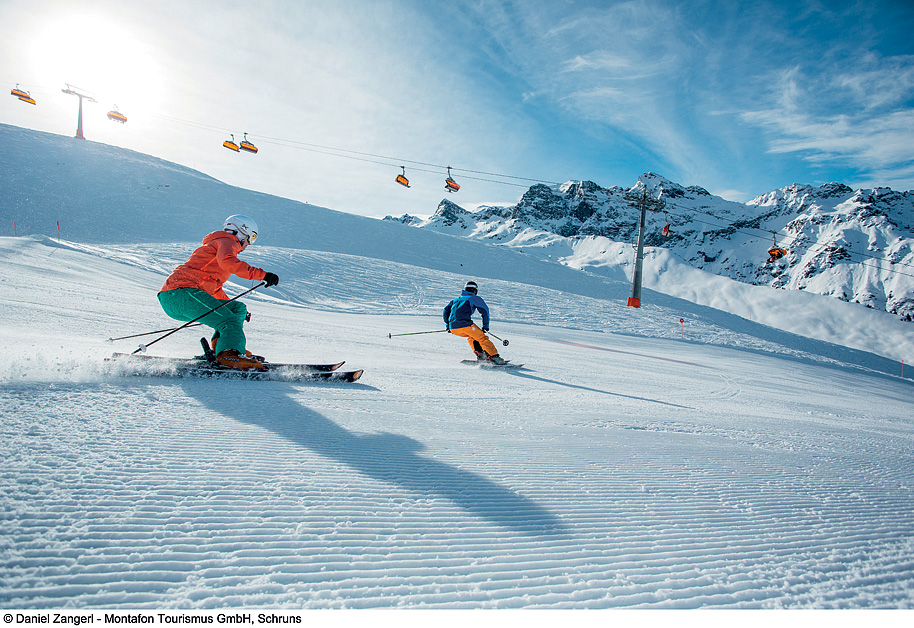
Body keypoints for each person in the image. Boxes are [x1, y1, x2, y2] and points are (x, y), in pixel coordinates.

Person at [157, 215, 280, 370]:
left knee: (237, 309)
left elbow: (214, 290)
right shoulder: (228, 241)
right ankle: (230, 354)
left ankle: (223, 348)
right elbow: (228, 262)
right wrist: (262, 275)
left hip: (179, 296)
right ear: (242, 232)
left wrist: (228, 308)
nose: (249, 243)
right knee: (229, 320)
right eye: (252, 238)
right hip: (181, 293)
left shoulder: (219, 244)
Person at [443, 281, 507, 365]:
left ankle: (481, 355)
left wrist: (448, 325)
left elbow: (445, 311)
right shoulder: (474, 298)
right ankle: (495, 357)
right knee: (482, 338)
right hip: (466, 325)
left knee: (472, 336)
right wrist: (485, 326)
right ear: (475, 290)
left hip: (453, 328)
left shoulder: (456, 300)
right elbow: (485, 311)